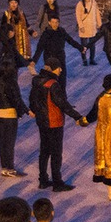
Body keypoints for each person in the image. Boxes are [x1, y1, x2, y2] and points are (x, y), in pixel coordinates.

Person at [27, 60, 85, 190]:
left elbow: (32, 99)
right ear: (54, 69)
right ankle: (57, 182)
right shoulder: (53, 84)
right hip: (54, 122)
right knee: (56, 153)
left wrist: (34, 110)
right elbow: (62, 104)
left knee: (44, 151)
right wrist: (77, 117)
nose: (61, 70)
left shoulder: (37, 81)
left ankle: (43, 180)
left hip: (42, 121)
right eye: (59, 68)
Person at [74, 0, 101, 66]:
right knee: (84, 46)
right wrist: (81, 26)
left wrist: (99, 23)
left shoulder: (94, 2)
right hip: (84, 28)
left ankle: (92, 59)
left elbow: (97, 13)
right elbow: (78, 16)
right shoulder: (80, 4)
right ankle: (84, 60)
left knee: (92, 45)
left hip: (92, 27)